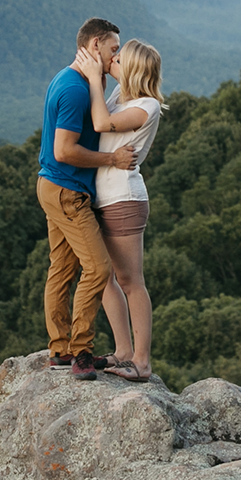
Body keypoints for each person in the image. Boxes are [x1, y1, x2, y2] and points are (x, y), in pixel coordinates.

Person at [36, 18, 141, 379]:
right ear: (95, 46)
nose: (117, 59)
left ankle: (60, 350)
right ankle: (81, 352)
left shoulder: (69, 79)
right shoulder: (76, 90)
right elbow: (64, 149)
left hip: (53, 186)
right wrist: (112, 159)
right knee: (98, 269)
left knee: (62, 271)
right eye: (114, 49)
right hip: (67, 189)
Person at [77, 37, 164, 383]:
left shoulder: (146, 106)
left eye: (119, 58)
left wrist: (95, 73)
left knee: (131, 281)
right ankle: (123, 351)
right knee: (104, 277)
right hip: (103, 198)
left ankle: (141, 361)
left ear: (133, 69)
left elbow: (100, 124)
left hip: (124, 200)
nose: (113, 60)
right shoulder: (120, 96)